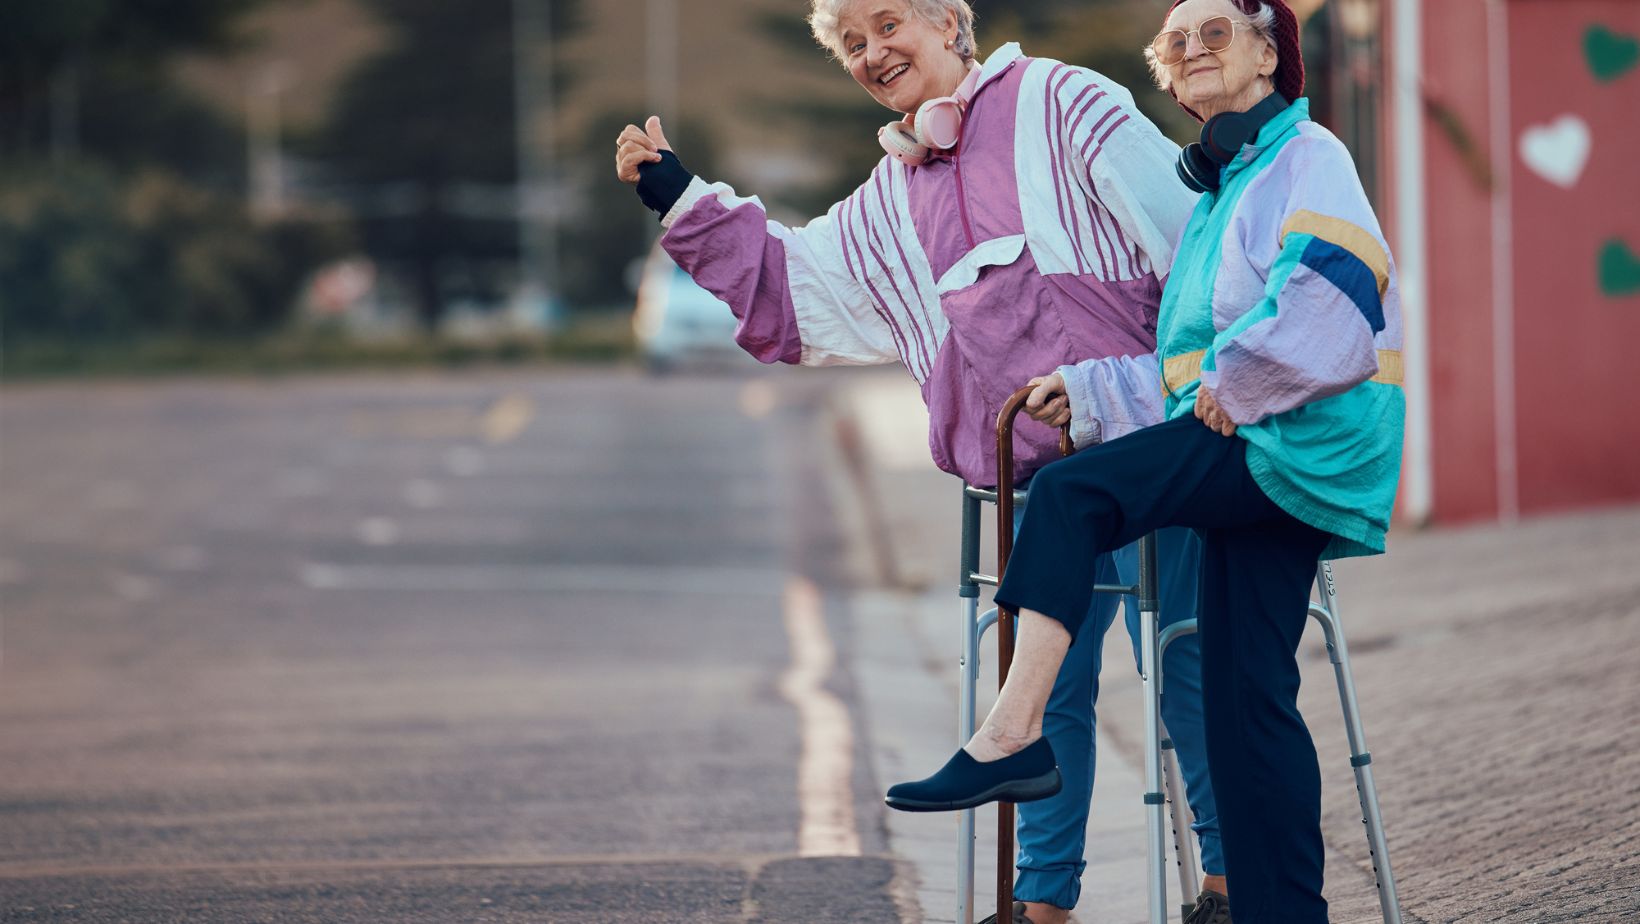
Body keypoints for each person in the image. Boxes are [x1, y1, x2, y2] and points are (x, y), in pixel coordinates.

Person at [614, 2, 1232, 921]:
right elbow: (794, 290)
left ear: (950, 21)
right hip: (1033, 487)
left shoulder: (1065, 101)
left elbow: (1198, 252)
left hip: (1159, 447)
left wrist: (1161, 385)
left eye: (887, 24)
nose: (872, 52)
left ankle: (1230, 888)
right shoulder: (888, 198)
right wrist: (680, 195)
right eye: (852, 45)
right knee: (1049, 692)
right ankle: (1043, 908)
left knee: (1188, 669)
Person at [884, 0, 1406, 921]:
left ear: (1268, 57)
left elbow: (1338, 294)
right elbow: (1178, 374)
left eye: (1217, 33)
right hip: (1263, 452)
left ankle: (1013, 732)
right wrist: (1087, 395)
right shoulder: (1220, 194)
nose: (1193, 50)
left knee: (1073, 493)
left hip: (1297, 444)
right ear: (1164, 74)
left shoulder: (1306, 156)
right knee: (1248, 704)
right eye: (1177, 41)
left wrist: (1239, 380)